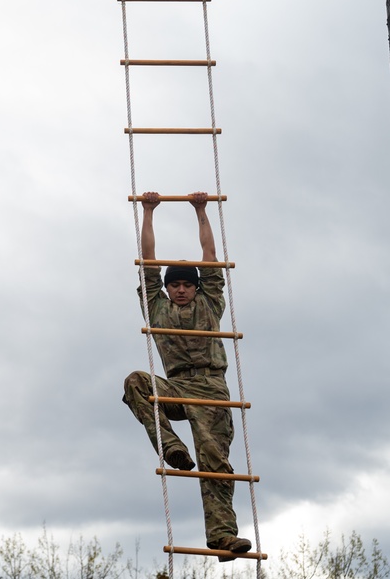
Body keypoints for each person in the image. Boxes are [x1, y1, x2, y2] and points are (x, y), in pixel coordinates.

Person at [122, 190, 252, 556]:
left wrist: (201, 210)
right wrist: (148, 212)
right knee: (135, 381)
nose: (180, 290)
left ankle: (223, 536)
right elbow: (148, 261)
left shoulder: (210, 302)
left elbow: (209, 257)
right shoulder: (157, 308)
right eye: (174, 285)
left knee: (215, 463)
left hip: (211, 388)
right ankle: (172, 447)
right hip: (177, 385)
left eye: (186, 285)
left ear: (196, 287)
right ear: (166, 289)